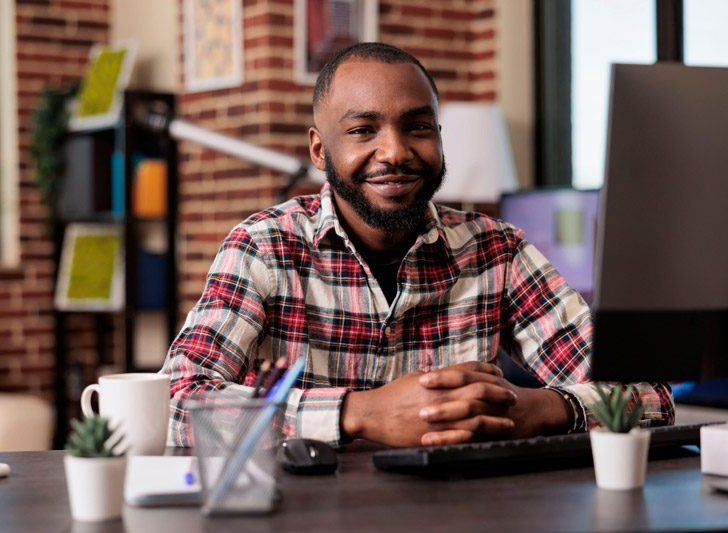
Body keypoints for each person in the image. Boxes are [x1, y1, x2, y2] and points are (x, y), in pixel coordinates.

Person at [161, 42, 674, 448]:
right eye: (363, 130)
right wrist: (359, 414)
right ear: (320, 149)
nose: (396, 152)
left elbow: (649, 395)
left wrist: (535, 408)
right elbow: (177, 403)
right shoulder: (264, 247)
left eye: (417, 127)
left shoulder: (498, 250)